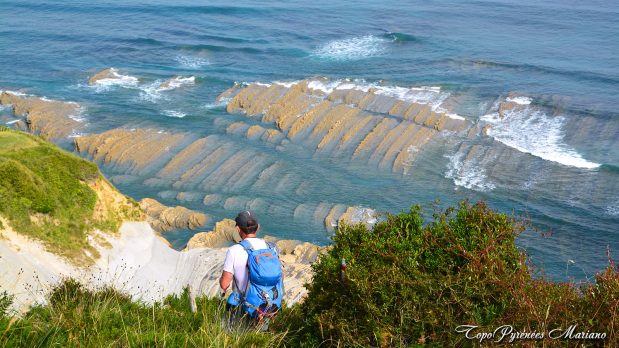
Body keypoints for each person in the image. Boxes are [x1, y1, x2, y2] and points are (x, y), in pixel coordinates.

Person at [219, 210, 283, 325]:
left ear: (238, 229)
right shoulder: (272, 248)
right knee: (264, 338)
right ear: (258, 227)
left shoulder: (234, 250)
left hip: (245, 306)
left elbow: (224, 284)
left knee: (235, 335)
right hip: (269, 306)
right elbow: (280, 277)